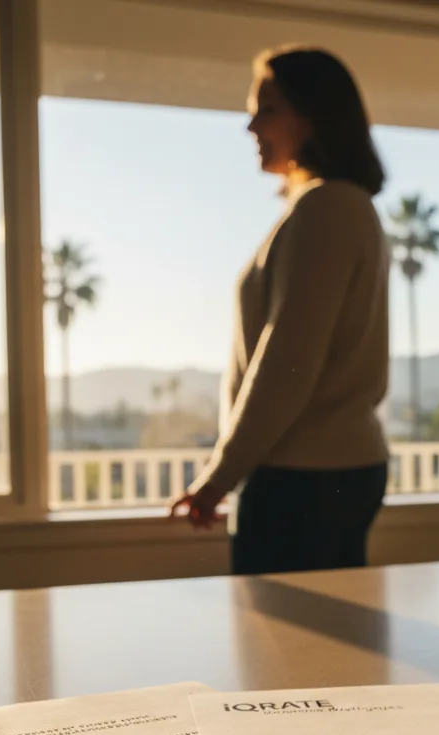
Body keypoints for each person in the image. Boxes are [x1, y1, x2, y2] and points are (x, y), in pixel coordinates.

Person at [170, 45, 390, 576]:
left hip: (302, 479)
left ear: (313, 118)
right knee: (329, 647)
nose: (250, 125)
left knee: (283, 649)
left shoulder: (326, 209)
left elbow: (287, 363)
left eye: (266, 108)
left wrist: (219, 476)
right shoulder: (341, 208)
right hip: (329, 473)